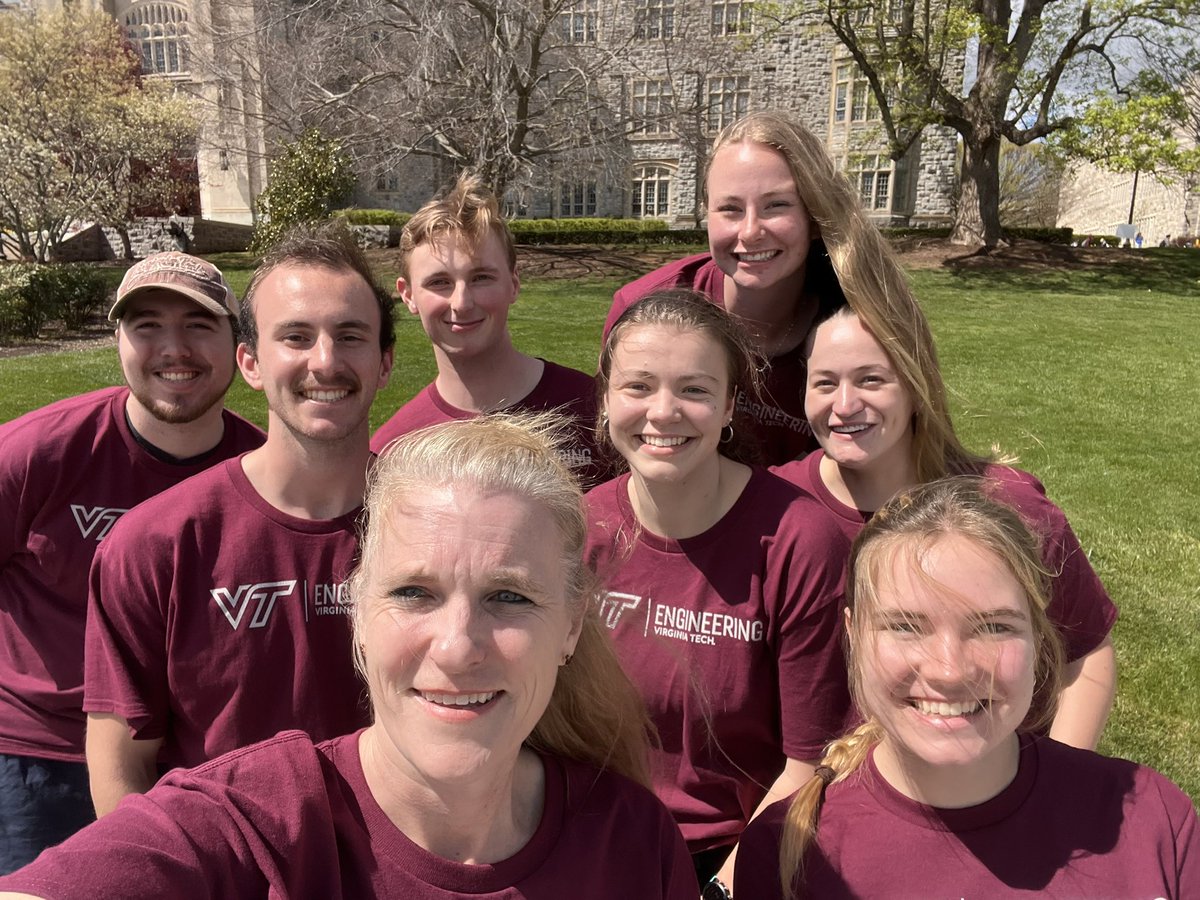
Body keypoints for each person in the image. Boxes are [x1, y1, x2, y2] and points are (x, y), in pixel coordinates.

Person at [0, 415, 697, 899]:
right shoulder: (250, 827)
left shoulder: (632, 837)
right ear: (359, 612)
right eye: (414, 592)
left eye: (510, 597)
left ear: (573, 623)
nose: (456, 648)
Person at [734, 478, 1199, 899]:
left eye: (994, 627)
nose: (950, 671)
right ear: (854, 635)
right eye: (906, 627)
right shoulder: (783, 857)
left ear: (1039, 638)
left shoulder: (1150, 818)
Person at [82, 223, 394, 815]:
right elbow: (121, 762)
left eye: (349, 336)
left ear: (384, 363)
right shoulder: (155, 544)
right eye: (295, 337)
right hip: (227, 866)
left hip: (401, 862)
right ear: (250, 361)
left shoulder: (431, 525)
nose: (324, 362)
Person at [0, 252, 264, 872]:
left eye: (200, 325)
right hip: (42, 759)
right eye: (146, 325)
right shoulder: (38, 454)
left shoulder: (261, 472)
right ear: (117, 339)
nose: (174, 349)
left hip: (191, 764)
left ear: (238, 345)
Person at [585, 290, 851, 894]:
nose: (663, 412)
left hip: (740, 850)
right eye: (638, 386)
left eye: (694, 390)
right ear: (605, 399)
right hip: (595, 838)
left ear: (731, 404)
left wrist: (721, 890)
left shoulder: (798, 541)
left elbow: (811, 762)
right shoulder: (580, 531)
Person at [774, 300, 1118, 749]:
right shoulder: (775, 507)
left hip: (989, 782)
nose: (845, 404)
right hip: (825, 790)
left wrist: (1059, 785)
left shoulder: (1008, 507)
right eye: (824, 383)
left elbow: (1086, 652)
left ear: (917, 389)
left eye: (871, 380)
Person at [607, 110, 897, 465]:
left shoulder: (861, 318)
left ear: (815, 215)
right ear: (706, 215)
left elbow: (902, 456)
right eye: (729, 209)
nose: (750, 231)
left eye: (776, 206)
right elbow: (618, 448)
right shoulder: (644, 310)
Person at [371, 171, 605, 485]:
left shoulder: (596, 412)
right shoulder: (394, 449)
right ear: (408, 295)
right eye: (439, 282)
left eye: (481, 277)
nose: (462, 303)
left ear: (514, 283)